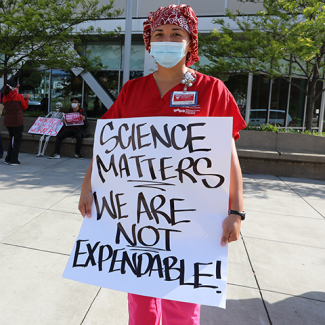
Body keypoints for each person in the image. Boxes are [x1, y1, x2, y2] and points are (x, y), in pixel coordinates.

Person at [78, 4, 246, 325]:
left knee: (181, 304)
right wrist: (89, 186)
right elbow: (110, 146)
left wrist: (236, 211)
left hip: (192, 219)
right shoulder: (132, 91)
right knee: (140, 300)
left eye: (175, 34)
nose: (166, 39)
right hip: (137, 216)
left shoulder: (212, 90)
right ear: (149, 41)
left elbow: (228, 154)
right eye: (159, 34)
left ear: (190, 40)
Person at [3, 80, 30, 166]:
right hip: (17, 121)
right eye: (16, 87)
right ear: (14, 88)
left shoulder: (4, 98)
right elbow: (24, 107)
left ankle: (8, 159)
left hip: (8, 120)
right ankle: (14, 160)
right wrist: (26, 98)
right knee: (17, 141)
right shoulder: (18, 96)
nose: (17, 88)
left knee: (12, 140)